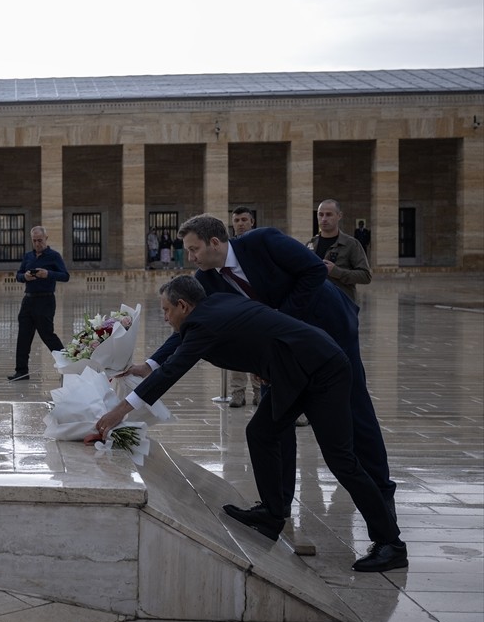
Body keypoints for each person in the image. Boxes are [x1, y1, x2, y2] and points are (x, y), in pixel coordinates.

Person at [94, 277, 406, 573]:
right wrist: (147, 366)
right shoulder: (211, 307)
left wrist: (120, 411)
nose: (164, 317)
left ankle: (391, 543)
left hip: (323, 370)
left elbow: (173, 370)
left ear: (183, 306)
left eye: (165, 309)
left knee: (341, 459)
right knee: (260, 432)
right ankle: (271, 515)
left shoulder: (205, 323)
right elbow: (193, 341)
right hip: (292, 371)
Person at [149, 214, 395, 518]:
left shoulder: (262, 241)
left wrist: (281, 326)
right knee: (273, 421)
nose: (190, 257)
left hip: (327, 327)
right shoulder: (206, 281)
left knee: (355, 407)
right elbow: (190, 326)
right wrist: (150, 363)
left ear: (214, 242)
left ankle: (382, 491)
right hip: (279, 351)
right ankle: (277, 503)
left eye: (194, 249)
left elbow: (313, 271)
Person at [8, 226, 69, 381]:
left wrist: (48, 274)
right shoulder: (28, 256)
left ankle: (68, 366)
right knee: (23, 336)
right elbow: (18, 275)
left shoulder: (54, 256)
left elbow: (65, 276)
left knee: (48, 335)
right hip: (28, 300)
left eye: (40, 240)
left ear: (46, 238)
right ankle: (21, 371)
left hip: (45, 300)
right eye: (34, 241)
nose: (37, 243)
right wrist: (25, 277)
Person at [307, 199, 372, 303]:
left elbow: (365, 276)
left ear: (339, 216)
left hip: (341, 305)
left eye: (329, 215)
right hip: (314, 305)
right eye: (320, 214)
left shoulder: (351, 244)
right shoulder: (311, 244)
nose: (324, 219)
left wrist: (336, 272)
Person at [227, 206, 258, 408]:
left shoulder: (260, 244)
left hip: (257, 304)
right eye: (236, 220)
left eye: (244, 220)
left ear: (252, 222)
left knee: (258, 349)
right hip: (235, 306)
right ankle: (237, 392)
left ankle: (259, 390)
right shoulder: (228, 246)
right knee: (236, 350)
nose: (240, 224)